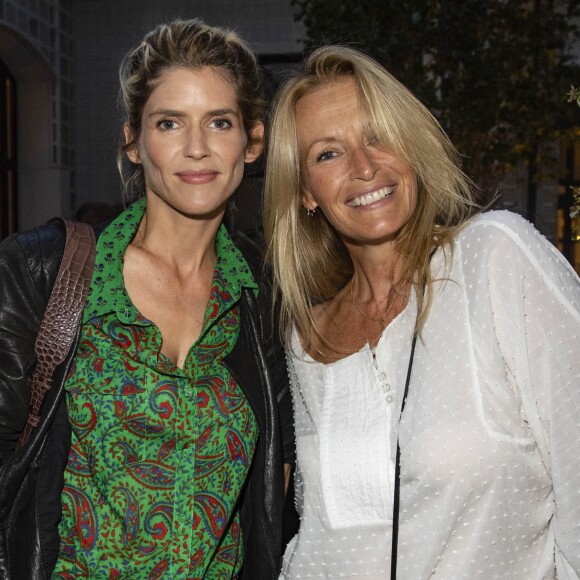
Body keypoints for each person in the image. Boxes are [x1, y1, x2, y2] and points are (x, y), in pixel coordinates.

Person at [263, 45, 580, 578]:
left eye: (378, 135)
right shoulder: (304, 339)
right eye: (328, 154)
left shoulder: (494, 258)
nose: (364, 168)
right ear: (304, 193)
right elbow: (318, 538)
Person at [0, 19, 294, 579]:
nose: (197, 148)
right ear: (133, 141)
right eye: (169, 123)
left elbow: (274, 481)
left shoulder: (263, 302)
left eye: (220, 122)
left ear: (251, 142)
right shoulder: (43, 271)